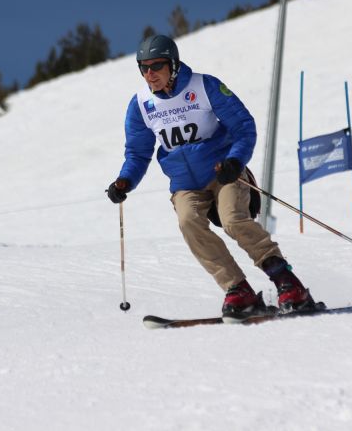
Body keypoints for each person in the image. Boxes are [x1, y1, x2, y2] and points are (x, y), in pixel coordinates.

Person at [106, 34, 315, 317]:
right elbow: (138, 153)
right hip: (185, 184)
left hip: (223, 173)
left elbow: (243, 126)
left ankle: (287, 282)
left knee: (233, 220)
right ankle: (238, 289)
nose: (149, 73)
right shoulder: (142, 104)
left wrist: (235, 161)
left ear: (173, 65)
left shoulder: (204, 86)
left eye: (156, 66)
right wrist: (125, 181)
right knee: (188, 222)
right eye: (143, 67)